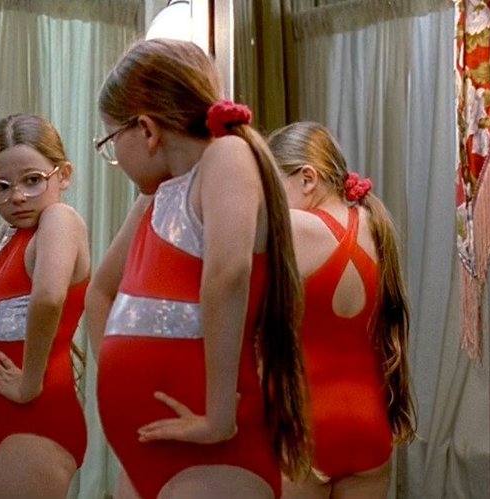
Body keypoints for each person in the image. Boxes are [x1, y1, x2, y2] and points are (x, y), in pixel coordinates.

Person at [87, 38, 310, 498]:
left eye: (111, 143)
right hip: (147, 449)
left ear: (146, 130)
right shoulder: (154, 201)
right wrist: (117, 378)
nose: (116, 160)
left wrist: (217, 416)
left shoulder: (225, 157)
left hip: (212, 450)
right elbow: (99, 292)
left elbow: (228, 274)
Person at [268, 121, 415, 499]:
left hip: (304, 428)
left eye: (273, 187)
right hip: (370, 428)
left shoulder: (293, 227)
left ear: (307, 179)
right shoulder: (375, 225)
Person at [0, 113, 91, 498]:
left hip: (35, 416)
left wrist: (29, 382)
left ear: (63, 175)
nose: (16, 196)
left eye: (32, 180)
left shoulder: (59, 219)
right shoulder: (11, 233)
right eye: (0, 187)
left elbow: (49, 297)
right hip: (1, 419)